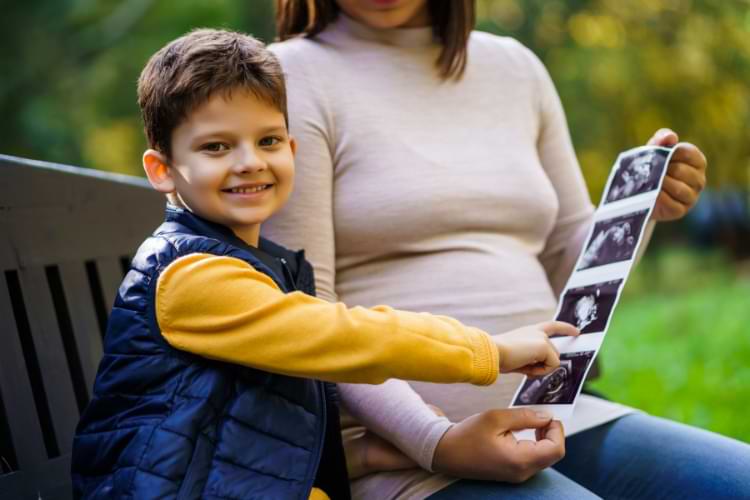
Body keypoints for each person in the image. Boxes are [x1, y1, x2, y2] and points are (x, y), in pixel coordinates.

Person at [265, 1, 750, 498]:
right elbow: (309, 314)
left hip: (555, 413)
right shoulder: (289, 77)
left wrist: (639, 210)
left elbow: (570, 265)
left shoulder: (515, 68)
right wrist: (436, 441)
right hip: (399, 447)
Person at [70, 28, 580, 500]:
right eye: (216, 147)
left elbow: (249, 424)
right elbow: (348, 338)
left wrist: (368, 454)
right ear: (163, 170)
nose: (249, 161)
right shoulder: (191, 278)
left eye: (267, 140)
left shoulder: (263, 266)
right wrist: (491, 349)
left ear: (292, 150)